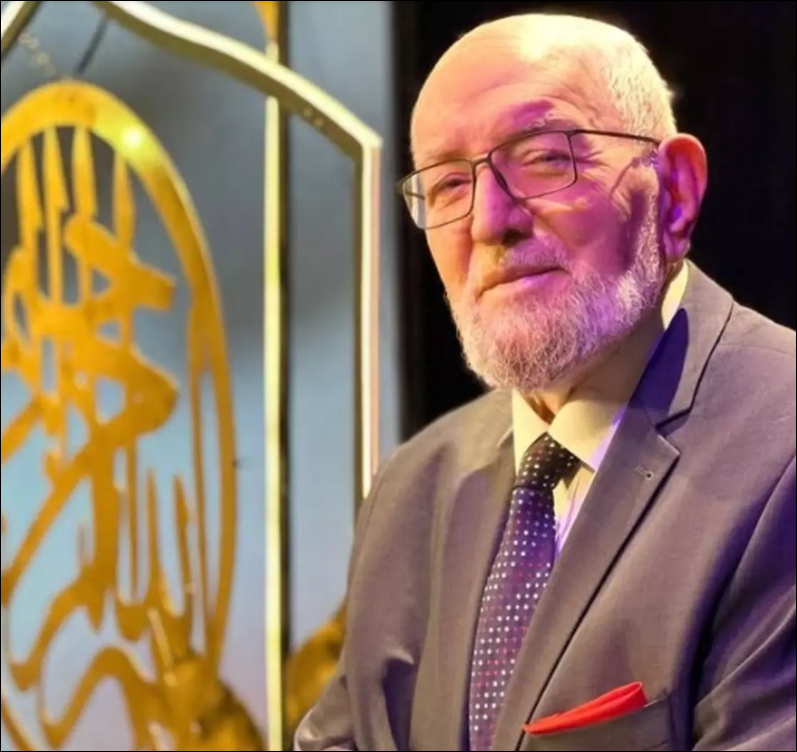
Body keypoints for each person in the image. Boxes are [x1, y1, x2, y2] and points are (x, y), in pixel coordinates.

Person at [294, 12, 796, 751]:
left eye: (543, 158)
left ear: (675, 190)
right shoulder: (411, 488)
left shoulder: (781, 449)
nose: (488, 221)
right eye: (447, 184)